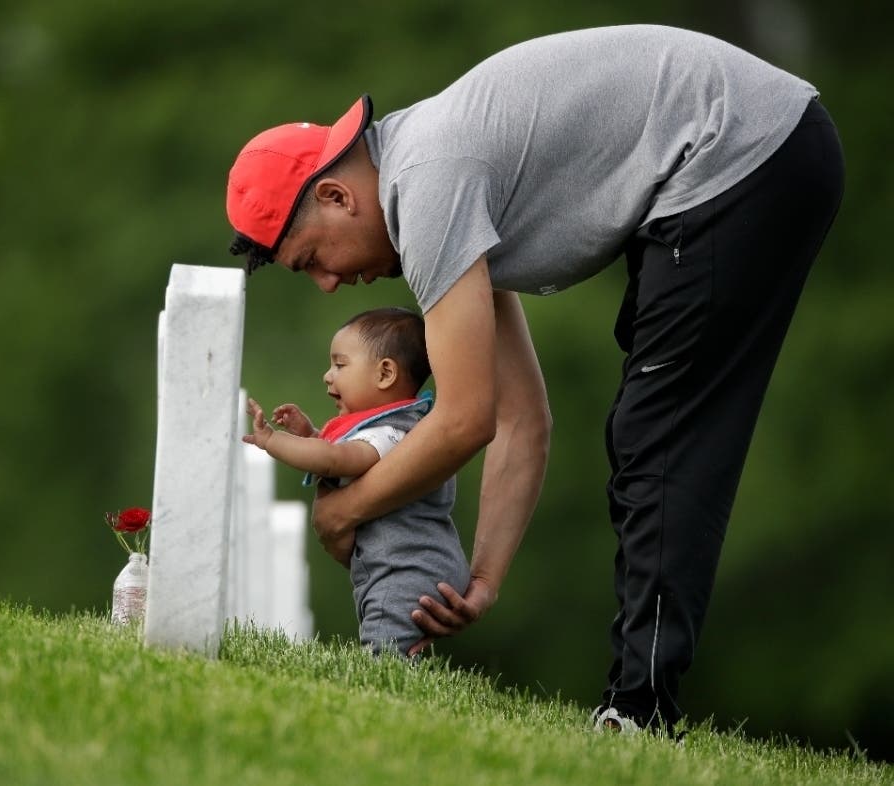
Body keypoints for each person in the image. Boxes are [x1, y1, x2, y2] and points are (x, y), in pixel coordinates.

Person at [224, 24, 844, 734]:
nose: (331, 285)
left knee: (660, 436)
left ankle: (635, 715)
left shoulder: (425, 184)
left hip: (742, 149)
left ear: (336, 195)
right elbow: (521, 419)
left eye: (312, 261)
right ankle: (638, 705)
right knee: (652, 424)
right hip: (758, 148)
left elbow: (462, 420)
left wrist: (346, 509)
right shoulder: (433, 182)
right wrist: (483, 578)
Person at [243, 306, 470, 657]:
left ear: (384, 373)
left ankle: (385, 683)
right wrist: (310, 434)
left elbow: (337, 460)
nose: (327, 376)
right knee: (394, 636)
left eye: (340, 364)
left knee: (384, 647)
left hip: (406, 568)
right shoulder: (388, 431)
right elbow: (345, 456)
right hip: (413, 564)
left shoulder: (393, 431)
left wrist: (274, 442)